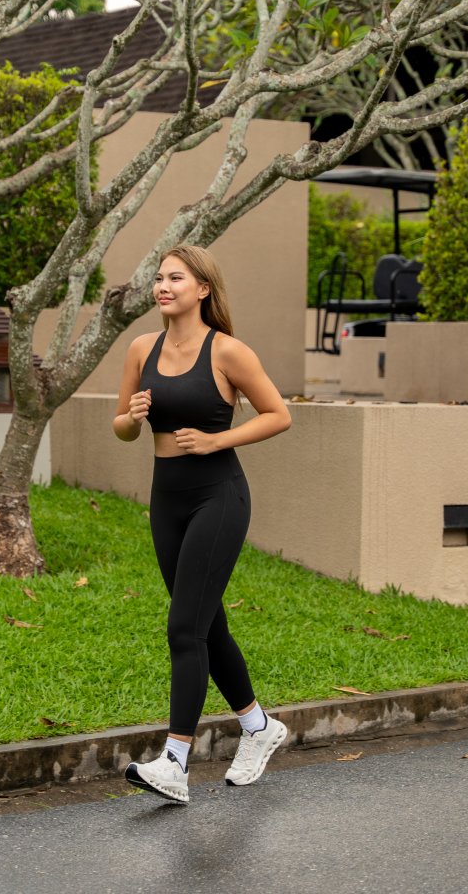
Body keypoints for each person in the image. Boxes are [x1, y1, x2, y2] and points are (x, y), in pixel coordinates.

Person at [112, 244, 293, 803]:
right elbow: (121, 427)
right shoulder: (141, 348)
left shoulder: (228, 352)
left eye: (175, 278)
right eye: (159, 278)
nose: (162, 287)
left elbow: (279, 415)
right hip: (167, 497)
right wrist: (132, 418)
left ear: (203, 289)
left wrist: (218, 440)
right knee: (205, 624)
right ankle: (259, 726)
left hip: (218, 496)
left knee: (182, 627)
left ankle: (174, 761)